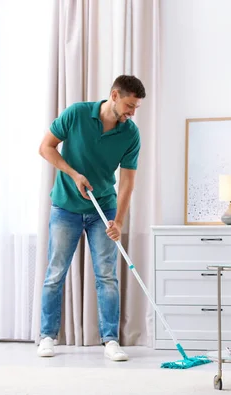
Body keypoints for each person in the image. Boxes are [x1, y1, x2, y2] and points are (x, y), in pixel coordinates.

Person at [36, 75, 145, 361]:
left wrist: (118, 221)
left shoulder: (130, 134)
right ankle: (47, 337)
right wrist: (73, 174)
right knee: (55, 273)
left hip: (104, 210)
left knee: (106, 276)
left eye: (136, 108)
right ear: (114, 95)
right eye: (129, 106)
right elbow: (45, 147)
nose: (132, 113)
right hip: (65, 207)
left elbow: (127, 182)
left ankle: (110, 340)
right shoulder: (77, 113)